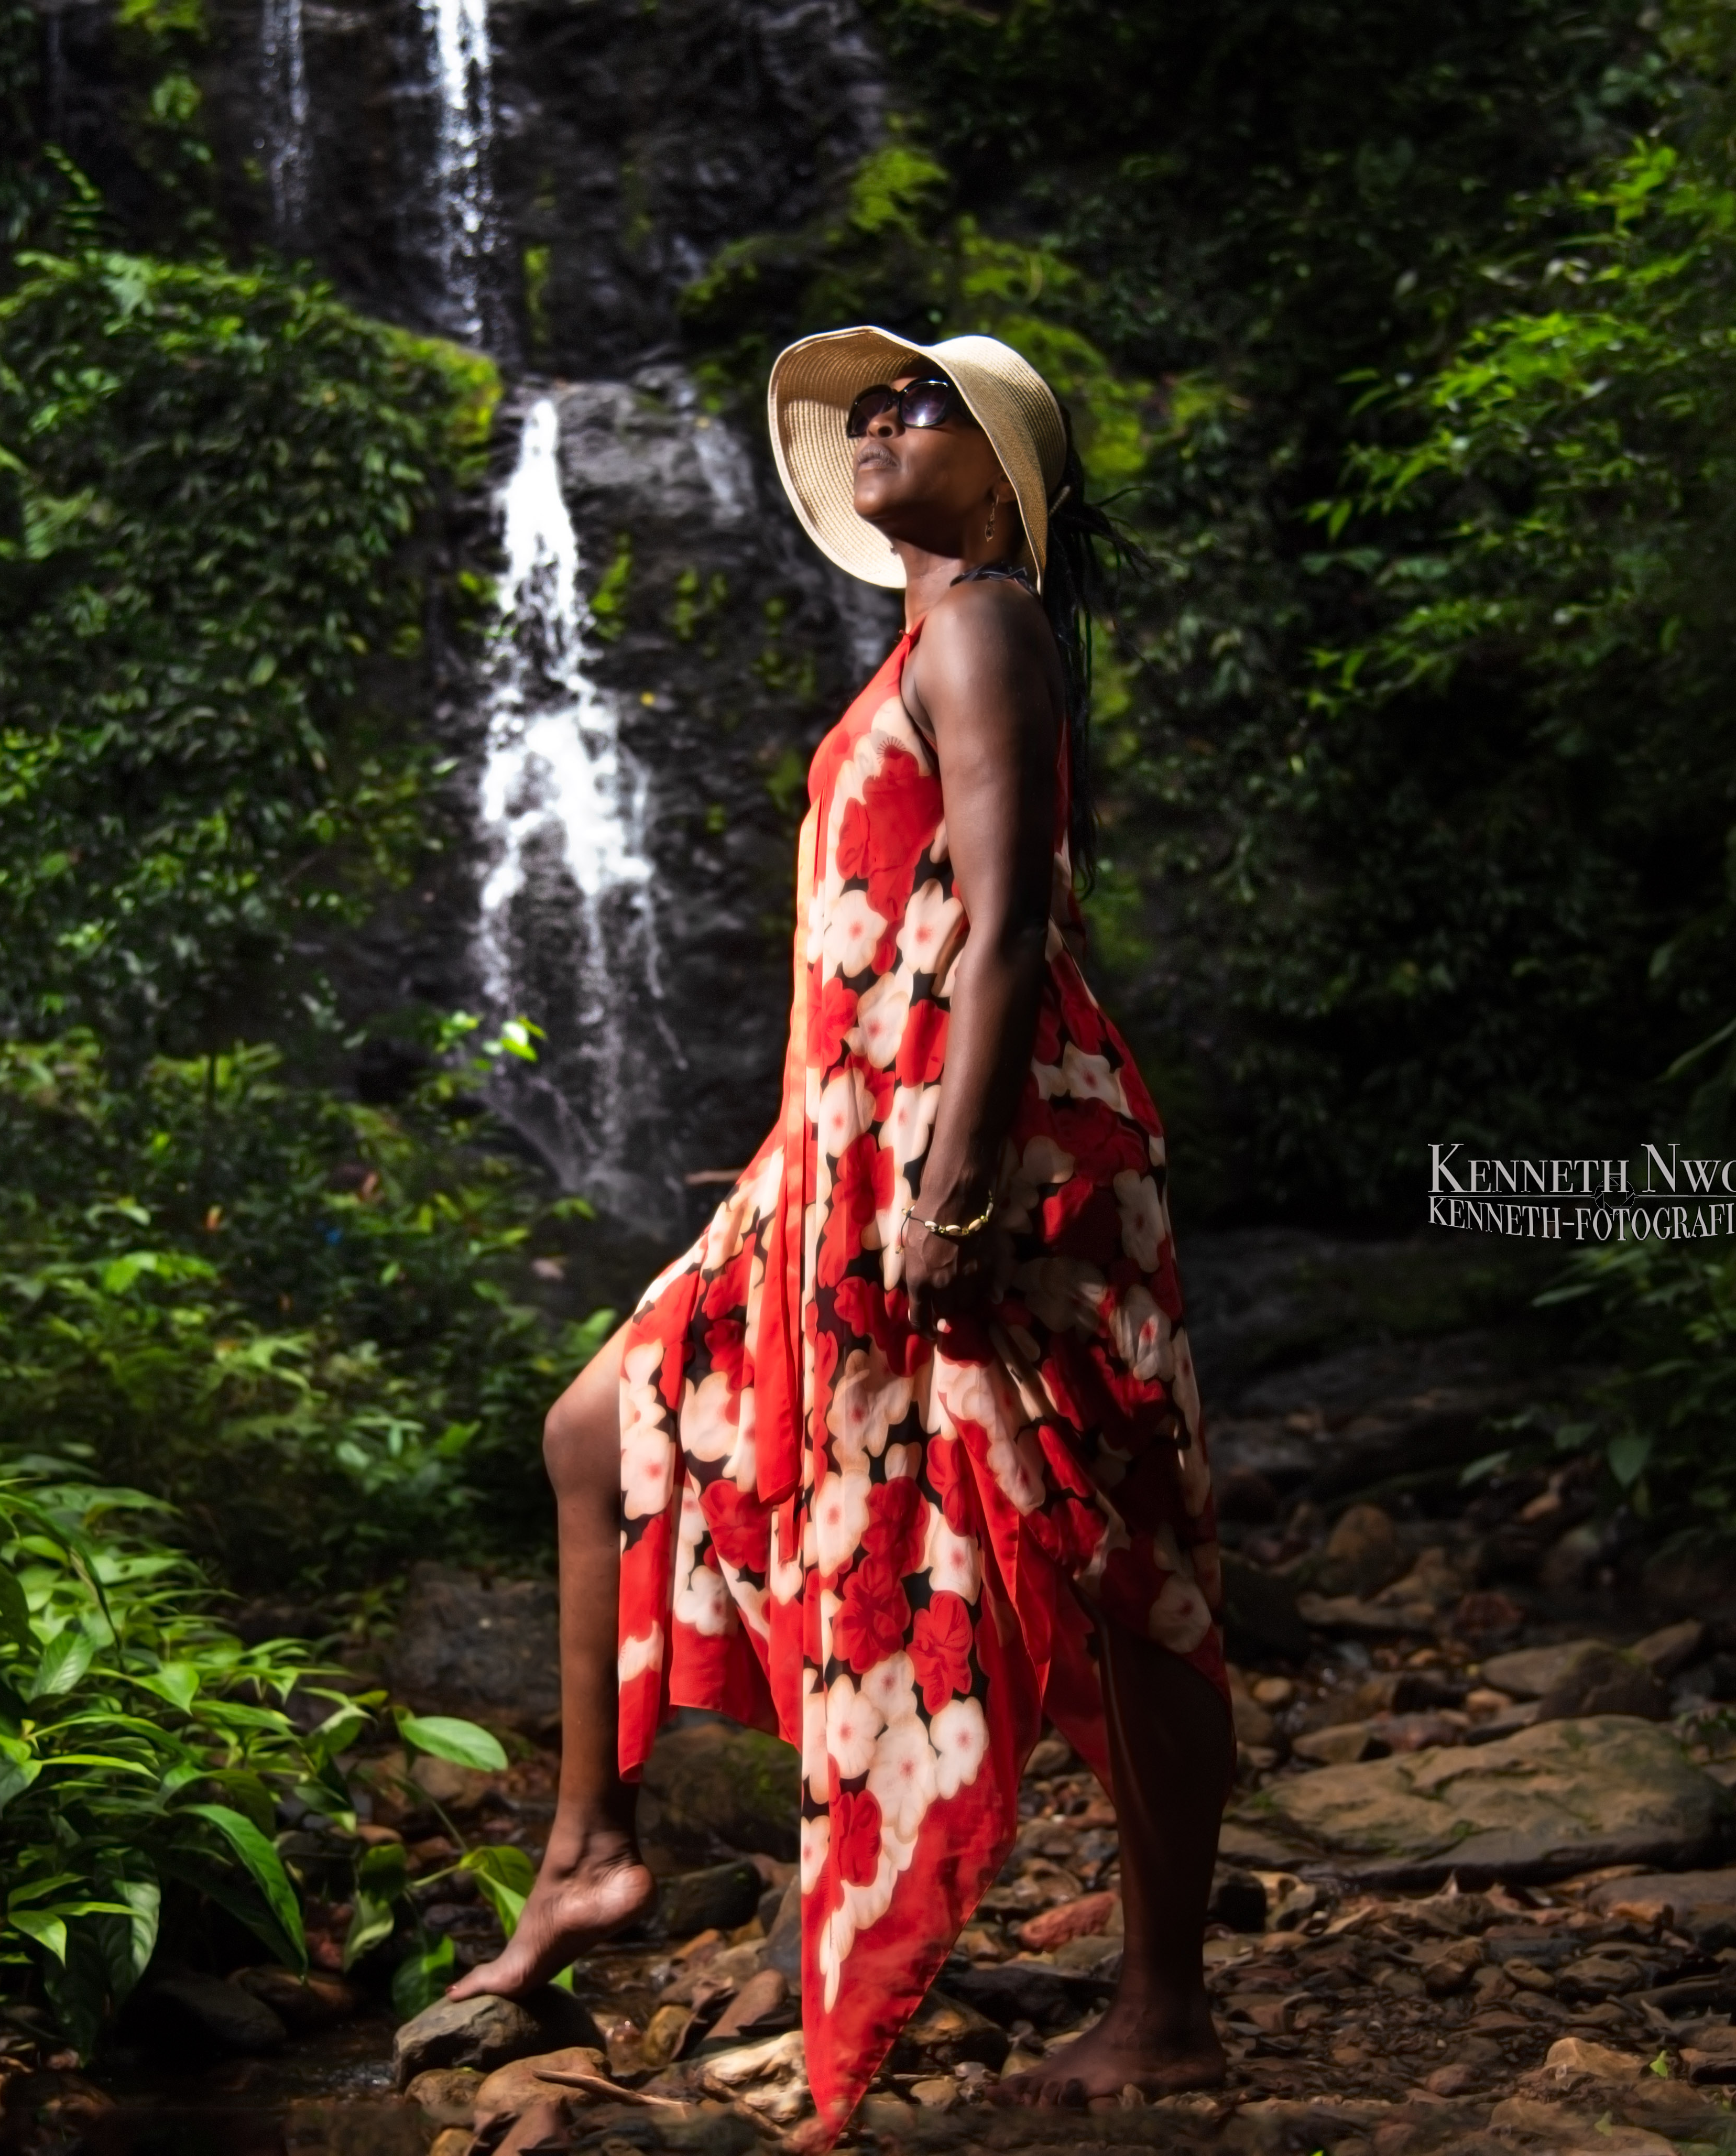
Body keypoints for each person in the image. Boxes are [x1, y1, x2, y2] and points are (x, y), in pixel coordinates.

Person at [449, 329, 1235, 2139]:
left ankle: (1165, 2003)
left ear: (1008, 468)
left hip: (986, 1166)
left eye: (925, 402)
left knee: (1120, 1563)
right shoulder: (931, 636)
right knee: (595, 1427)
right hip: (836, 1162)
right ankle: (587, 1852)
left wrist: (957, 1187)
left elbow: (1012, 926)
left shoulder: (983, 622)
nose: (884, 421)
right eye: (867, 405)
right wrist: (827, 1164)